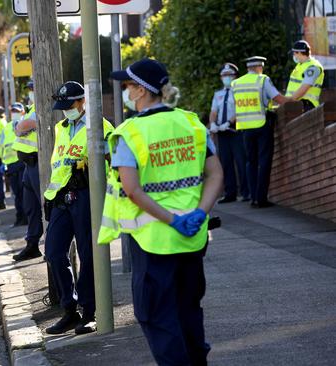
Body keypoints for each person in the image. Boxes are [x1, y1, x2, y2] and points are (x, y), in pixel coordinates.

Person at [107, 58, 224, 365]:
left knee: (158, 316)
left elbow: (132, 190)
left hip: (154, 240)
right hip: (193, 238)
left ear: (141, 91)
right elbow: (215, 175)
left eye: (129, 86)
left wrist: (171, 220)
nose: (127, 92)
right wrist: (198, 213)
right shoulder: (191, 123)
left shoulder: (130, 133)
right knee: (188, 310)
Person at [43, 81, 114, 335]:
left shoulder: (101, 127)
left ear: (82, 101)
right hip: (62, 197)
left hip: (86, 196)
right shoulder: (61, 128)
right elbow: (58, 164)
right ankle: (69, 310)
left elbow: (112, 161)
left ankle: (90, 312)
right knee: (53, 251)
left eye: (69, 105)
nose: (65, 111)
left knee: (88, 254)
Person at [233, 56, 291, 208]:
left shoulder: (236, 83)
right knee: (264, 161)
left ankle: (253, 198)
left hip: (245, 128)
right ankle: (261, 198)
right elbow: (277, 98)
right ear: (259, 67)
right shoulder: (262, 79)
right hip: (262, 124)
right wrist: (293, 102)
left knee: (250, 162)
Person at [12, 80, 44, 261]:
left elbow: (23, 126)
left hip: (38, 164)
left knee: (45, 207)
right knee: (31, 208)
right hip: (28, 166)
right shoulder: (31, 108)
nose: (31, 92)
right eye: (30, 89)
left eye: (33, 88)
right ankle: (32, 245)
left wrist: (20, 127)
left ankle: (52, 248)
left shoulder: (42, 106)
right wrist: (21, 127)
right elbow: (21, 127)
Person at [209, 63, 249, 203]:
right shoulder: (218, 94)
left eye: (229, 75)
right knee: (225, 163)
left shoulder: (239, 91)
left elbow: (241, 110)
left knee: (241, 161)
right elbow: (214, 112)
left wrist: (229, 122)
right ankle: (229, 193)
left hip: (235, 130)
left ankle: (246, 192)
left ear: (235, 76)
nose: (226, 78)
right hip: (222, 132)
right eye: (224, 75)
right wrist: (213, 123)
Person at [0, 102, 27, 227]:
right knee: (17, 195)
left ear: (22, 112)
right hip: (11, 166)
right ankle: (19, 219)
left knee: (24, 194)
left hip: (21, 163)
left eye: (17, 111)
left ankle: (26, 219)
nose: (14, 113)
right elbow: (3, 146)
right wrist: (3, 163)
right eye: (13, 111)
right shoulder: (7, 127)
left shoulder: (25, 124)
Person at [285, 40, 324, 112]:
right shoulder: (301, 65)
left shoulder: (313, 67)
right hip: (296, 105)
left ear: (299, 53)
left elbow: (305, 87)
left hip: (306, 106)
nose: (294, 56)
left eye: (294, 53)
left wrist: (290, 100)